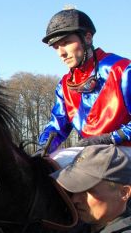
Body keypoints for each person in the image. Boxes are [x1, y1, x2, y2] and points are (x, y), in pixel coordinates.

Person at [39, 8, 131, 153]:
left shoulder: (123, 69)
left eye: (66, 43)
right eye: (56, 47)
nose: (61, 53)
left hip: (124, 151)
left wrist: (111, 138)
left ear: (87, 38)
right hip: (90, 155)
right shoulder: (64, 86)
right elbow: (57, 127)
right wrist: (43, 149)